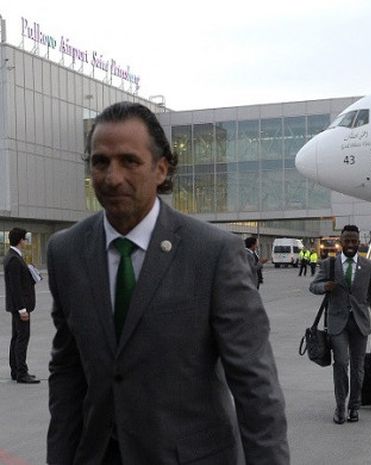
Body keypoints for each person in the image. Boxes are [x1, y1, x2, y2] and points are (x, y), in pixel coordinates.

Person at [46, 102, 289, 464]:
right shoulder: (65, 251)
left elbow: (255, 385)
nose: (112, 177)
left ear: (161, 169)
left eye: (129, 161)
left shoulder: (213, 254)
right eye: (100, 162)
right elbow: (68, 371)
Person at [309, 225, 371, 425]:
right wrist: (324, 286)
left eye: (354, 241)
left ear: (359, 241)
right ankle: (340, 407)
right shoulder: (329, 264)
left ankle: (354, 406)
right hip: (337, 323)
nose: (351, 245)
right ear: (341, 242)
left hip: (360, 323)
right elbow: (312, 286)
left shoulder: (368, 265)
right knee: (342, 363)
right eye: (347, 241)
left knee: (358, 368)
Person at [3, 227, 39, 384]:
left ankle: (15, 370)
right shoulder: (13, 259)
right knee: (22, 338)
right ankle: (21, 373)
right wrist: (22, 309)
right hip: (20, 307)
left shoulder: (14, 257)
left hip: (18, 306)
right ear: (20, 240)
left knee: (17, 337)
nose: (26, 242)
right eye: (25, 239)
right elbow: (15, 287)